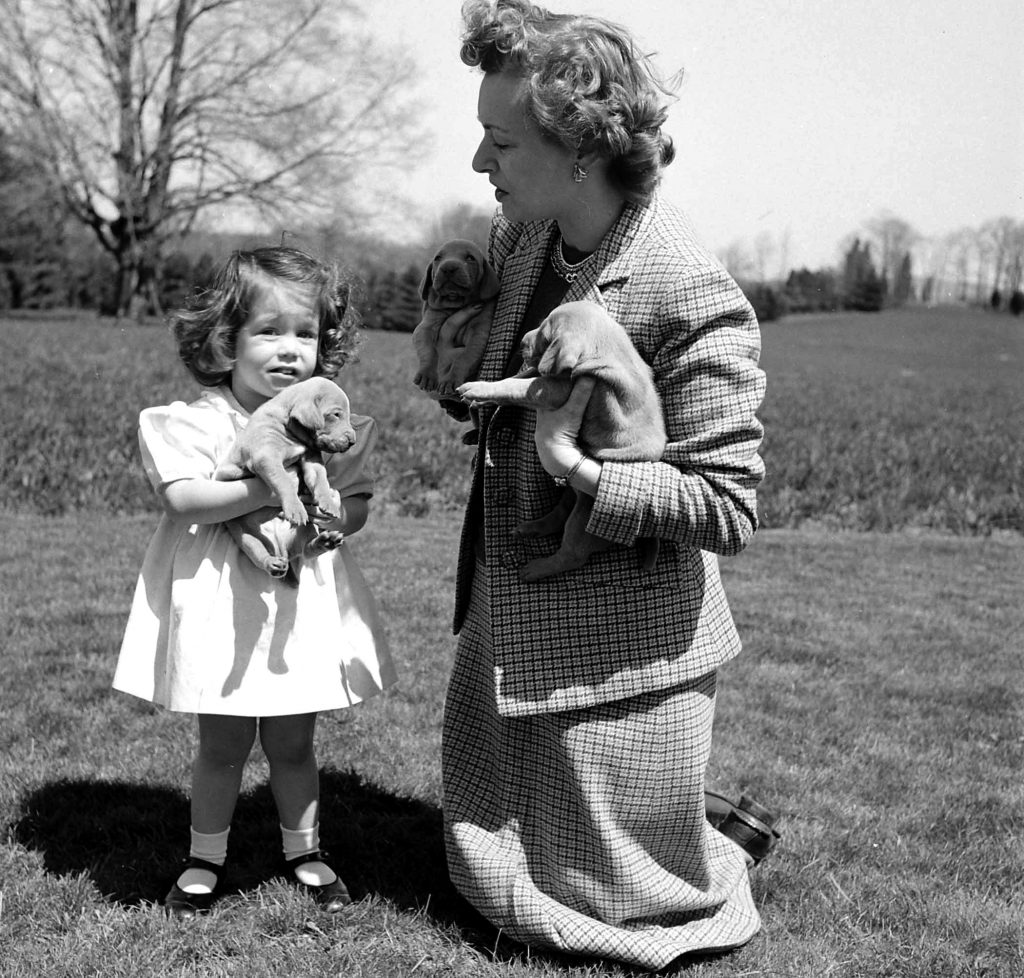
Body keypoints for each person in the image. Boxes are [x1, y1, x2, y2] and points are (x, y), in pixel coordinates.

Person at [440, 1, 770, 969]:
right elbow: (504, 394)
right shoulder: (524, 243)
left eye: (498, 142)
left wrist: (577, 469)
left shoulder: (687, 289)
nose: (478, 165)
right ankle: (691, 827)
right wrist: (452, 351)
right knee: (496, 856)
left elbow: (725, 504)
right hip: (510, 603)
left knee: (611, 895)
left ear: (579, 151)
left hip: (617, 640)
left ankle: (695, 842)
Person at [113, 246, 395, 917]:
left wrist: (333, 519)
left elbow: (354, 502)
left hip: (299, 606)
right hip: (223, 606)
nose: (290, 349)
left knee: (294, 741)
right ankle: (203, 858)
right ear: (223, 340)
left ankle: (305, 851)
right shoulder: (199, 421)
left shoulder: (329, 423)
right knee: (224, 742)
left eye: (306, 333)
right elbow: (184, 501)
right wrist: (271, 493)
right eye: (268, 331)